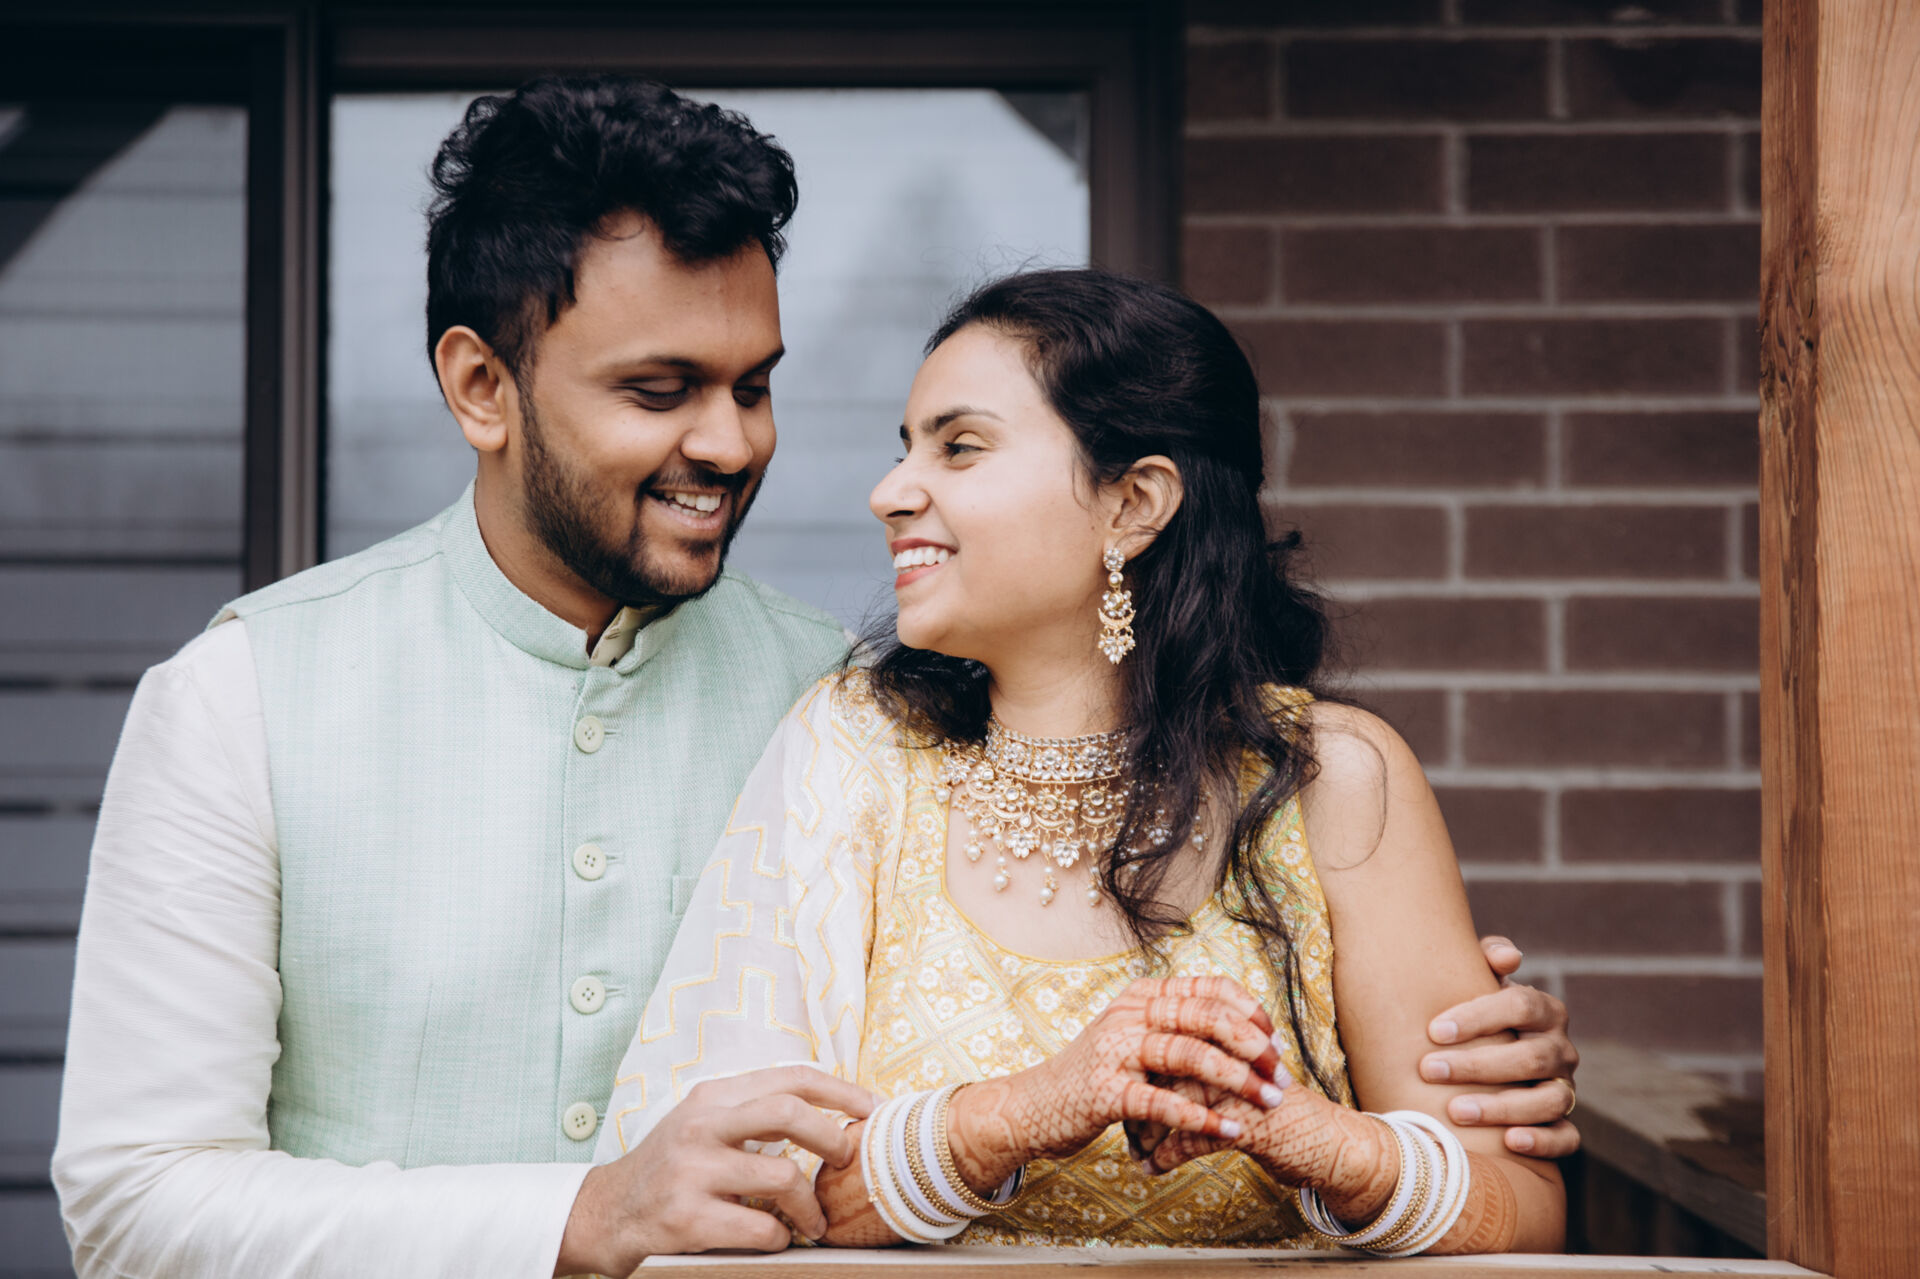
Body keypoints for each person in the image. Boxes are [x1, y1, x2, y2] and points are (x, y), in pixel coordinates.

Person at [52, 77, 1574, 1278]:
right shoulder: (242, 699)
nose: (732, 443)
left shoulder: (873, 701)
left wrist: (1433, 1057)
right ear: (479, 385)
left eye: (757, 384)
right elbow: (134, 1207)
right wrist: (576, 1215)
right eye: (661, 389)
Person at [597, 269, 1567, 1255]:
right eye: (906, 449)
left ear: (1133, 504)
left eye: (959, 447)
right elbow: (733, 1189)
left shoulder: (1332, 779)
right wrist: (1023, 1112)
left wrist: (1314, 1139)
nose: (890, 493)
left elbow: (1523, 1208)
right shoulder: (854, 749)